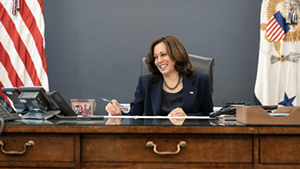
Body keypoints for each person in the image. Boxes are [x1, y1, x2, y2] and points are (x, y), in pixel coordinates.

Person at [105, 35, 213, 116]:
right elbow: (134, 116)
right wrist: (119, 113)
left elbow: (208, 116)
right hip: (154, 140)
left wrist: (187, 118)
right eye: (155, 57)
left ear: (176, 55)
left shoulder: (201, 80)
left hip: (189, 139)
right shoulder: (145, 83)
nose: (159, 61)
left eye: (163, 55)